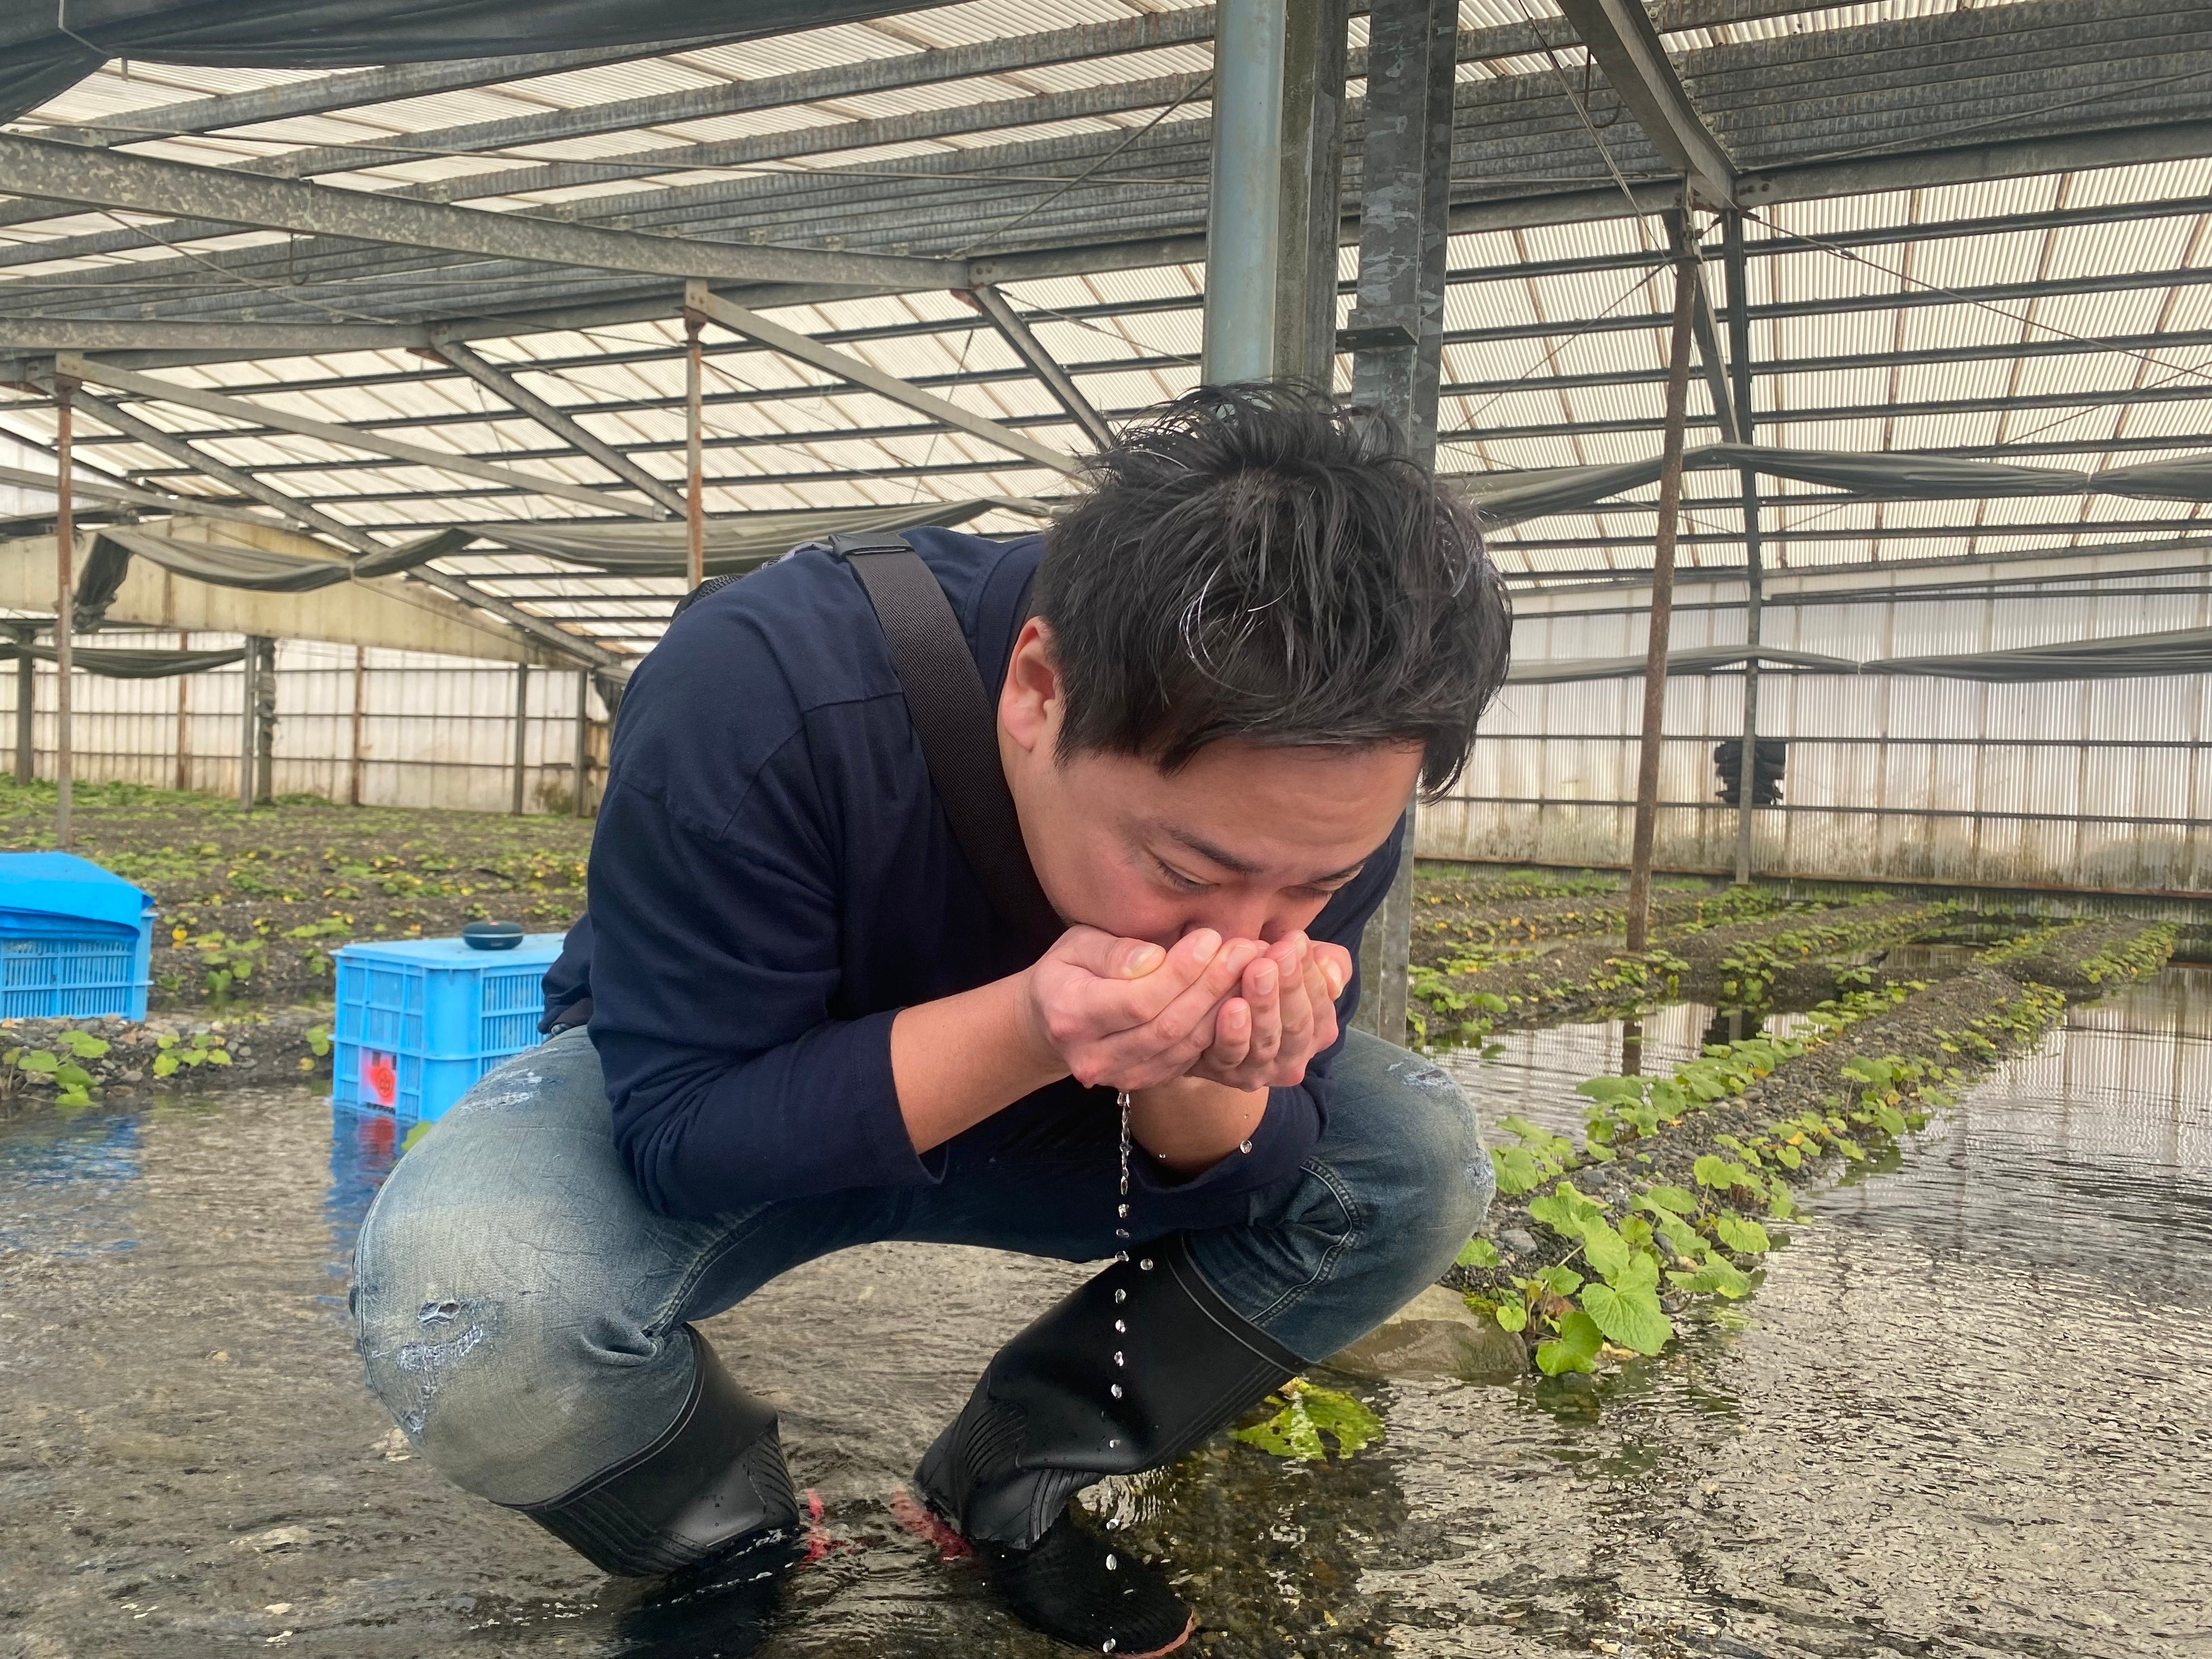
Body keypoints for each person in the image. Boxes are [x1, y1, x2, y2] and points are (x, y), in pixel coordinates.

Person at [351, 382, 1513, 1656]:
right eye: (1185, 872)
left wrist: (1211, 1065)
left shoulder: (1330, 784)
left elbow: (1259, 1161)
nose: (1243, 932)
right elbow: (685, 1138)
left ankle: (1009, 1475)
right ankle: (716, 1525)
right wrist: (1033, 1022)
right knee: (467, 1291)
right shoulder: (758, 687)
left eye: (1314, 885)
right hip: (747, 1098)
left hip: (1070, 1117)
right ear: (1038, 689)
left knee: (1410, 1159)